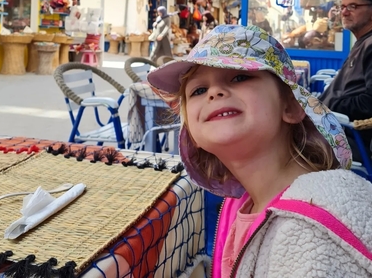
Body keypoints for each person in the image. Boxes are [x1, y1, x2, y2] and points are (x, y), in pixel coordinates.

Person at [148, 25, 372, 277]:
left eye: (239, 77)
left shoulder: (311, 230)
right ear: (192, 135)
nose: (214, 92)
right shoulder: (241, 205)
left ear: (291, 106)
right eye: (199, 90)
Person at [320, 0, 372, 158]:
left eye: (353, 6)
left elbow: (369, 102)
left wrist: (329, 106)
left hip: (348, 139)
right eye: (342, 6)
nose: (344, 12)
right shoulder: (363, 42)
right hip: (332, 131)